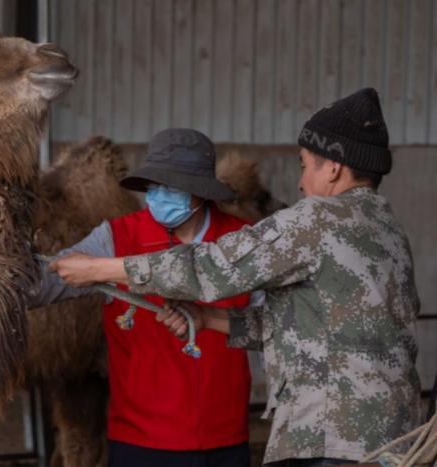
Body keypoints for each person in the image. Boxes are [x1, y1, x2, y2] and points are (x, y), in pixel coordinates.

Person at [50, 88, 422, 466]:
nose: (299, 183)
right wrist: (208, 318)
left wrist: (99, 268)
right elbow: (303, 327)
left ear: (334, 168)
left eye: (304, 165)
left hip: (330, 440)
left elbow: (208, 268)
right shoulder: (388, 230)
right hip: (393, 435)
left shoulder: (315, 221)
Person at [33, 128, 258, 467]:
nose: (159, 196)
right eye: (155, 186)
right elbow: (45, 282)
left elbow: (274, 326)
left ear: (201, 191)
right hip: (140, 442)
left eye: (171, 187)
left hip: (224, 439)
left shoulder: (242, 243)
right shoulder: (115, 237)